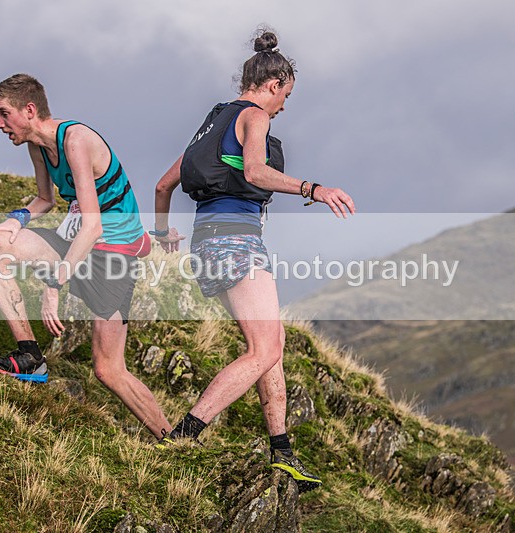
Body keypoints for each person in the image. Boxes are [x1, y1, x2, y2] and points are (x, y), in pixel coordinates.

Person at [152, 30, 355, 492]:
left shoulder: (213, 122)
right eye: (286, 94)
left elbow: (164, 185)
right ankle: (184, 436)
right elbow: (255, 172)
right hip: (236, 240)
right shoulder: (255, 116)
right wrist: (314, 189)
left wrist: (163, 235)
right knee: (263, 350)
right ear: (274, 83)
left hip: (206, 241)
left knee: (272, 346)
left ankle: (281, 452)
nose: (284, 105)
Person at [0, 74, 171, 440]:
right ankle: (29, 356)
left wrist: (54, 284)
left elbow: (93, 226)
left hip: (112, 258)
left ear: (29, 110)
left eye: (3, 114)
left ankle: (172, 439)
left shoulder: (75, 141)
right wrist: (13, 222)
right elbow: (45, 200)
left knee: (109, 370)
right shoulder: (37, 146)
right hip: (78, 244)